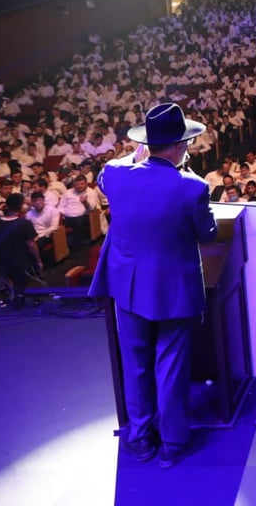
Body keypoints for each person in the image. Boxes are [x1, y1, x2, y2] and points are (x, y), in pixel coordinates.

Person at [88, 103, 217, 468]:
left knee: (137, 363)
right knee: (171, 364)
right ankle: (174, 442)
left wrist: (137, 154)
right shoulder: (193, 186)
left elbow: (106, 177)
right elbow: (206, 235)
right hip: (173, 290)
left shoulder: (114, 173)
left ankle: (141, 438)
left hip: (128, 288)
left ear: (146, 143)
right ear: (179, 146)